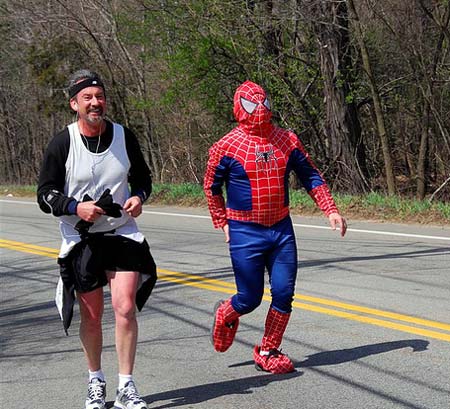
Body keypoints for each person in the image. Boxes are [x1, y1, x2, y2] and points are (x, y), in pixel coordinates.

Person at [203, 80, 347, 374]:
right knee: (249, 298)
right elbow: (211, 187)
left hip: (280, 229)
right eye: (251, 103)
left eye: (263, 101)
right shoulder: (226, 146)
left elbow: (310, 175)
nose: (259, 108)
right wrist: (222, 221)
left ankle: (268, 350)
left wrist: (330, 209)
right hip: (244, 231)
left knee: (283, 292)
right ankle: (226, 312)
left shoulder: (287, 140)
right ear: (239, 107)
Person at [37, 69, 157, 409]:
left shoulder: (123, 136)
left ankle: (126, 386)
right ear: (74, 104)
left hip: (121, 232)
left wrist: (139, 197)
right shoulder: (63, 142)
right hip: (82, 237)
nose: (95, 102)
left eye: (99, 96)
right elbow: (45, 194)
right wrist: (76, 207)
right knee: (91, 315)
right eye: (87, 97)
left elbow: (143, 178)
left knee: (125, 308)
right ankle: (95, 380)